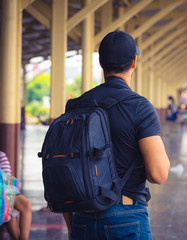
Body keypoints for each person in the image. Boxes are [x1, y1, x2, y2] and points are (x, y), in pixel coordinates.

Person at [63, 30, 170, 240]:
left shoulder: (75, 106)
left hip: (83, 215)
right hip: (127, 216)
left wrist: (71, 226)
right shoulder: (141, 107)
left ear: (101, 63)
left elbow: (68, 170)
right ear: (134, 62)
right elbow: (158, 174)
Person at [0, 151, 32, 240]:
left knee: (26, 204)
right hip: (4, 195)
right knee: (7, 205)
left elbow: (7, 179)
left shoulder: (1, 156)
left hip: (5, 190)